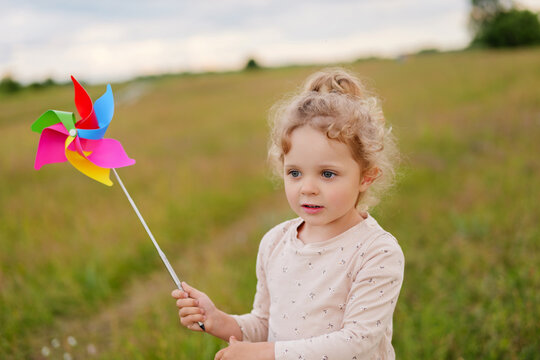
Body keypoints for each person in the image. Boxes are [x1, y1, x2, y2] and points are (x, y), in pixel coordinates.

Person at [172, 68, 405, 360]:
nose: (307, 188)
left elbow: (356, 342)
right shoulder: (274, 243)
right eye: (294, 172)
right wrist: (220, 321)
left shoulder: (377, 252)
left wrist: (266, 354)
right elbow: (265, 324)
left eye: (327, 174)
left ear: (366, 177)